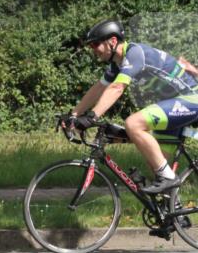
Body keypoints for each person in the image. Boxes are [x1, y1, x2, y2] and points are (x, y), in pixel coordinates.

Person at [66, 19, 198, 194]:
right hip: (172, 104)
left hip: (190, 99)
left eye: (96, 44)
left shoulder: (135, 54)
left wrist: (92, 116)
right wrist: (74, 114)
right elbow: (99, 88)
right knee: (156, 165)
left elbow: (117, 87)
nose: (93, 50)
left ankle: (169, 178)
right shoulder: (117, 64)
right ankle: (176, 217)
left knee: (133, 123)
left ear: (112, 41)